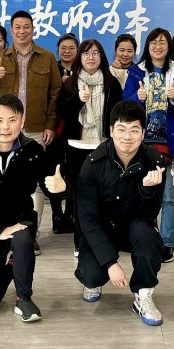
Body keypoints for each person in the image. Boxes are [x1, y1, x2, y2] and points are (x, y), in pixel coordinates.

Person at [0, 95, 67, 322]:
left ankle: (24, 298)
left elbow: (51, 186)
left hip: (21, 219)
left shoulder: (33, 150)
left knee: (23, 237)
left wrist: (61, 188)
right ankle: (13, 264)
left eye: (12, 120)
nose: (5, 127)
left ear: (22, 121)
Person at [76, 101, 166, 326]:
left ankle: (144, 293)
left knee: (149, 237)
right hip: (102, 227)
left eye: (134, 130)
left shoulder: (155, 162)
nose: (127, 137)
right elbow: (88, 219)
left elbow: (149, 215)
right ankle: (93, 279)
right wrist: (110, 263)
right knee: (93, 276)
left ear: (143, 133)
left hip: (133, 225)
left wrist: (147, 190)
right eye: (121, 129)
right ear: (111, 131)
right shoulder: (93, 163)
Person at [0, 10, 63, 249]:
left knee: (34, 183)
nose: (22, 31)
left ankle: (30, 234)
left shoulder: (47, 57)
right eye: (17, 27)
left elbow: (55, 93)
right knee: (3, 179)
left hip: (36, 128)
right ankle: (6, 230)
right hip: (6, 129)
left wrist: (50, 125)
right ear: (12, 30)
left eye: (26, 27)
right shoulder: (0, 56)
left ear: (33, 29)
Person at [123, 27, 174, 263]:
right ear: (148, 46)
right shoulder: (137, 70)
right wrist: (137, 98)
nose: (158, 46)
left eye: (163, 42)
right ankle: (147, 239)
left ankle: (168, 242)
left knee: (169, 197)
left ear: (169, 46)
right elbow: (126, 103)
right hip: (144, 145)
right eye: (154, 42)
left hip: (173, 142)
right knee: (146, 193)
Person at [57, 39, 124, 251]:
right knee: (80, 197)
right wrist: (78, 99)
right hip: (77, 146)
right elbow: (62, 111)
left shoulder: (112, 83)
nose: (91, 57)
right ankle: (80, 242)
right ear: (80, 58)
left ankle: (103, 241)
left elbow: (118, 115)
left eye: (95, 53)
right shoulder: (69, 83)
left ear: (102, 57)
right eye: (86, 53)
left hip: (104, 146)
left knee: (105, 196)